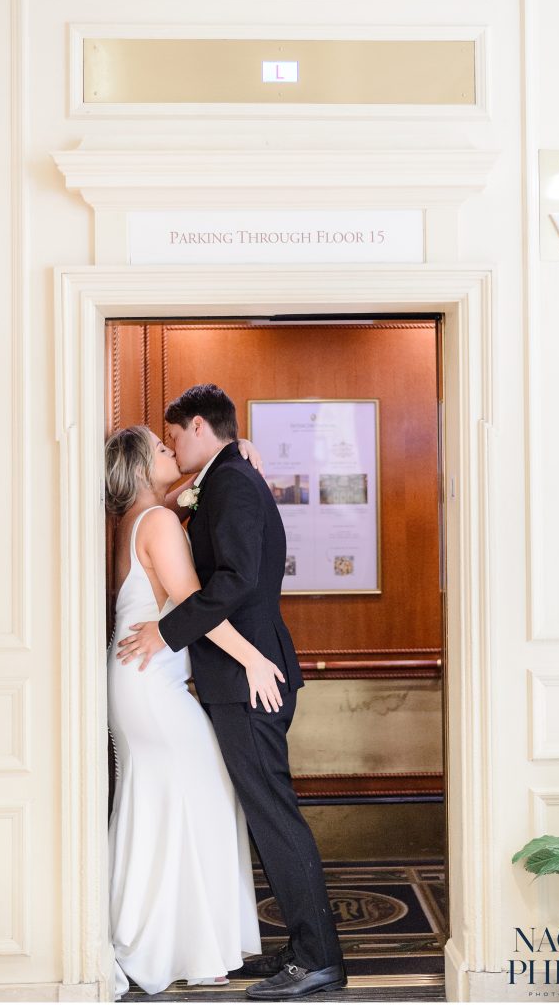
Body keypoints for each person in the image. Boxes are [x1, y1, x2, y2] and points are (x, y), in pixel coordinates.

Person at [117, 385, 346, 1001]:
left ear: (197, 427)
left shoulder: (232, 482)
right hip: (237, 674)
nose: (171, 447)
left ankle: (317, 958)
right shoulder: (227, 476)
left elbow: (238, 581)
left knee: (274, 814)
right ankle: (304, 950)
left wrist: (166, 631)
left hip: (250, 677)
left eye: (173, 436)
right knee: (266, 812)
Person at [105, 426, 283, 999]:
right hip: (151, 685)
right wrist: (254, 659)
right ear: (137, 468)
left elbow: (189, 489)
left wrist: (238, 451)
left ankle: (164, 937)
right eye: (160, 448)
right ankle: (188, 946)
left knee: (157, 802)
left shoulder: (135, 520)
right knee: (204, 797)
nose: (171, 452)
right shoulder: (157, 523)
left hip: (137, 680)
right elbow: (193, 605)